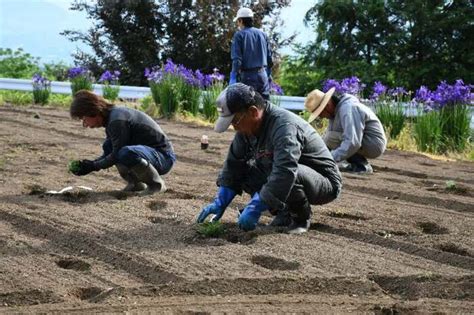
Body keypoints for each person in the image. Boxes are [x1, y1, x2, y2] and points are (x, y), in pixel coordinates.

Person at [197, 83, 342, 234]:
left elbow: (285, 171)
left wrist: (256, 206)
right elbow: (234, 166)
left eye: (235, 121)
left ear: (253, 112)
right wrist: (220, 202)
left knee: (287, 172)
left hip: (324, 182)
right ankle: (283, 212)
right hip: (289, 174)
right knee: (248, 172)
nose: (234, 127)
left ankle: (300, 218)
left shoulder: (284, 127)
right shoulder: (246, 131)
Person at [69, 90, 176, 194]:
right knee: (109, 146)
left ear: (92, 112)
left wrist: (94, 166)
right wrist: (91, 164)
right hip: (152, 155)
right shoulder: (113, 117)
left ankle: (156, 185)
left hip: (163, 157)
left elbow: (116, 154)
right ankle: (136, 184)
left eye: (84, 119)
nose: (85, 124)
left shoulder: (117, 120)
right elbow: (110, 154)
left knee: (125, 152)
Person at [305, 88, 387, 174]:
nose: (321, 117)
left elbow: (353, 142)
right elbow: (326, 141)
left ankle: (362, 166)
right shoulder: (335, 112)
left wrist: (328, 159)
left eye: (320, 113)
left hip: (374, 144)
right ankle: (356, 163)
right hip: (366, 141)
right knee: (329, 138)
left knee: (331, 138)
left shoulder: (348, 109)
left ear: (327, 106)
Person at [230, 7, 273, 100]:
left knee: (248, 106)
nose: (237, 24)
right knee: (265, 106)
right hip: (263, 75)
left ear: (241, 20)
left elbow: (237, 60)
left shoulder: (239, 35)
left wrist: (233, 76)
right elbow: (270, 58)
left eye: (238, 21)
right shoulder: (262, 34)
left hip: (248, 76)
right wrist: (268, 75)